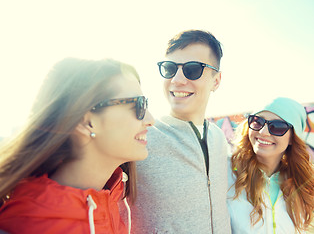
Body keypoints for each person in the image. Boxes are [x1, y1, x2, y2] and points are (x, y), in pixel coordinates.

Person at [0, 58, 154, 234]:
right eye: (138, 105)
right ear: (86, 122)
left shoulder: (110, 202)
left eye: (146, 104)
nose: (150, 120)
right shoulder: (33, 224)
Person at [128, 30, 231, 233]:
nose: (177, 79)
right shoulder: (140, 136)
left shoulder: (219, 138)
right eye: (169, 68)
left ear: (216, 81)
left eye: (193, 70)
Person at [227, 97, 314, 234]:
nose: (263, 132)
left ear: (292, 138)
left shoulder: (299, 182)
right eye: (257, 122)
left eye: (277, 127)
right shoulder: (227, 172)